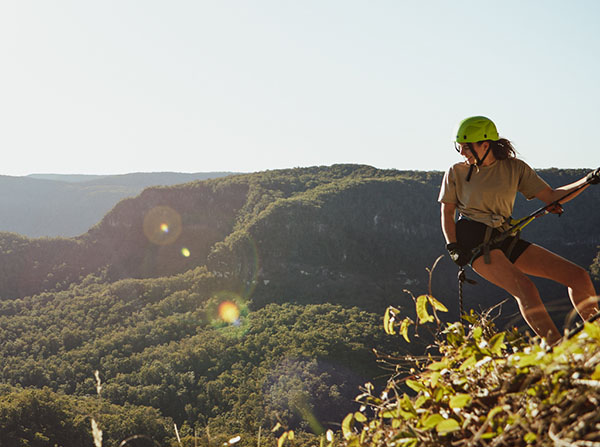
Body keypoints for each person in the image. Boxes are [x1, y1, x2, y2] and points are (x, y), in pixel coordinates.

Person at [438, 115, 600, 345]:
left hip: (504, 235)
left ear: (485, 144)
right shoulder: (456, 172)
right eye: (459, 147)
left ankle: (596, 340)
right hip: (473, 239)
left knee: (578, 277)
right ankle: (558, 349)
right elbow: (447, 213)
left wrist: (587, 179)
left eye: (466, 147)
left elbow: (552, 197)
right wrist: (453, 246)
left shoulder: (515, 169)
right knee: (525, 288)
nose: (462, 153)